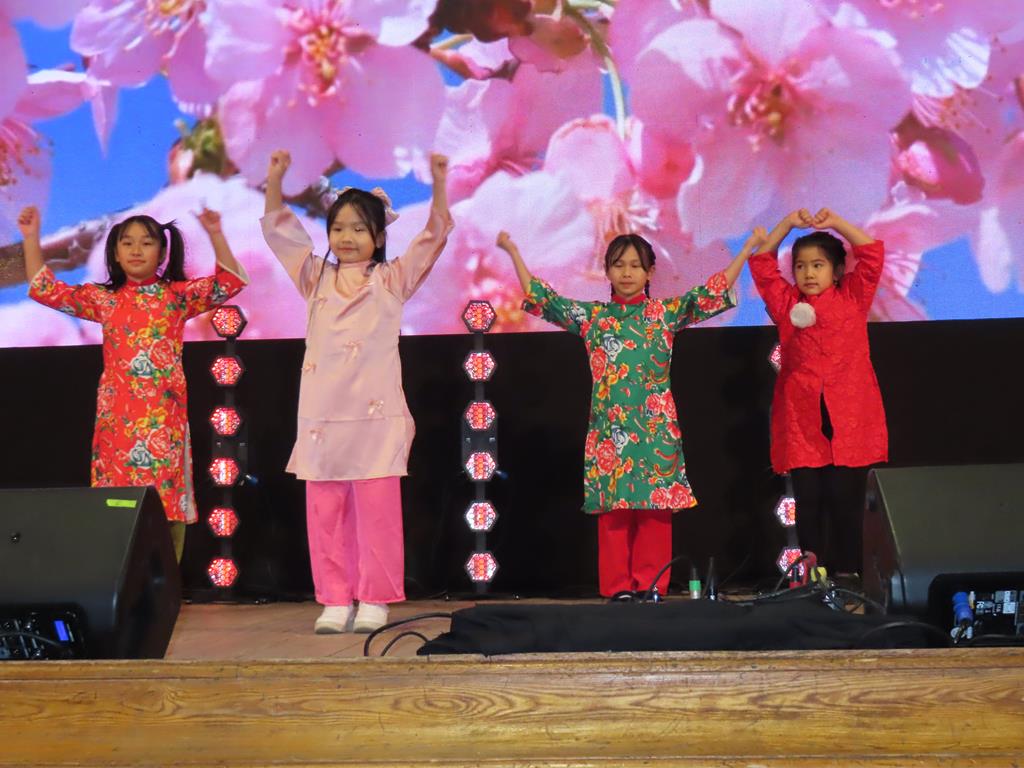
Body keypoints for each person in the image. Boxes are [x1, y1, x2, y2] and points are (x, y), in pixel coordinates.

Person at [496, 229, 762, 597]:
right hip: (610, 431)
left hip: (656, 430)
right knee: (614, 514)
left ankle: (651, 586)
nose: (626, 272)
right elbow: (545, 299)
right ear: (606, 270)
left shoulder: (663, 314)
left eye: (636, 265)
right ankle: (617, 588)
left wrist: (745, 249)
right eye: (618, 265)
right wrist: (512, 251)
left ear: (650, 272)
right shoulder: (594, 318)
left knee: (655, 512)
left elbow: (711, 293)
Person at [261, 150, 452, 633]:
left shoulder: (392, 279)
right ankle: (334, 598)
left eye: (359, 229)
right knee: (325, 511)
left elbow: (433, 237)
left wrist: (438, 184)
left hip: (376, 416)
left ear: (379, 237)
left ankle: (375, 598)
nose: (346, 238)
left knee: (378, 513)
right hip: (322, 417)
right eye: (338, 228)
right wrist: (276, 180)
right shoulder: (315, 278)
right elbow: (280, 232)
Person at [21, 204, 248, 561]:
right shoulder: (104, 299)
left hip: (164, 422)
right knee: (117, 507)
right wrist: (31, 237)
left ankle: (165, 582)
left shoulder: (176, 296)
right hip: (117, 426)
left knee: (167, 505)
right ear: (114, 253)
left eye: (147, 242)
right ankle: (119, 580)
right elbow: (43, 289)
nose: (136, 250)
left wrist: (216, 233)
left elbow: (230, 282)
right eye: (127, 243)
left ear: (162, 251)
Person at [748, 208, 888, 574]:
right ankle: (814, 578)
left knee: (846, 501)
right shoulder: (787, 304)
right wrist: (786, 224)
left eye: (818, 265)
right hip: (802, 419)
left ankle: (850, 576)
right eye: (800, 266)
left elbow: (872, 254)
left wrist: (837, 223)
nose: (808, 273)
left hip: (850, 417)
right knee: (807, 501)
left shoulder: (853, 297)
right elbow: (762, 264)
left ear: (837, 271)